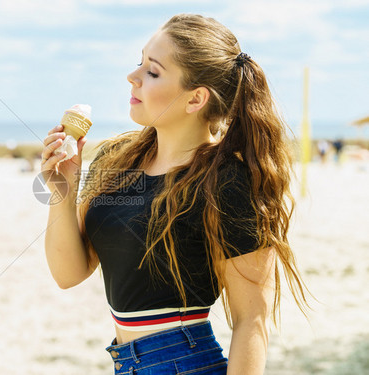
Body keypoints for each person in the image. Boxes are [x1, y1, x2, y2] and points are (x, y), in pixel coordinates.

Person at [41, 14, 310, 375]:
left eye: (152, 72)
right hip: (124, 364)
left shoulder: (227, 183)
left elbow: (252, 320)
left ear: (195, 98)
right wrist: (63, 189)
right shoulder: (117, 159)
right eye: (139, 63)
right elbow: (69, 273)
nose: (132, 77)